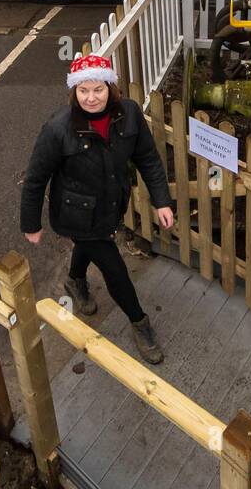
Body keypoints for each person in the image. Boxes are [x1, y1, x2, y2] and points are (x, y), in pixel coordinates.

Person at [20, 53, 174, 364]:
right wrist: (31, 223)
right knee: (114, 268)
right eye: (83, 91)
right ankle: (139, 321)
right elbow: (36, 178)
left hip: (110, 205)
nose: (91, 98)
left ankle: (75, 280)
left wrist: (161, 201)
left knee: (88, 246)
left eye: (98, 90)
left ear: (110, 88)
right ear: (74, 92)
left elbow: (148, 159)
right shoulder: (57, 128)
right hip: (75, 212)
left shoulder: (129, 114)